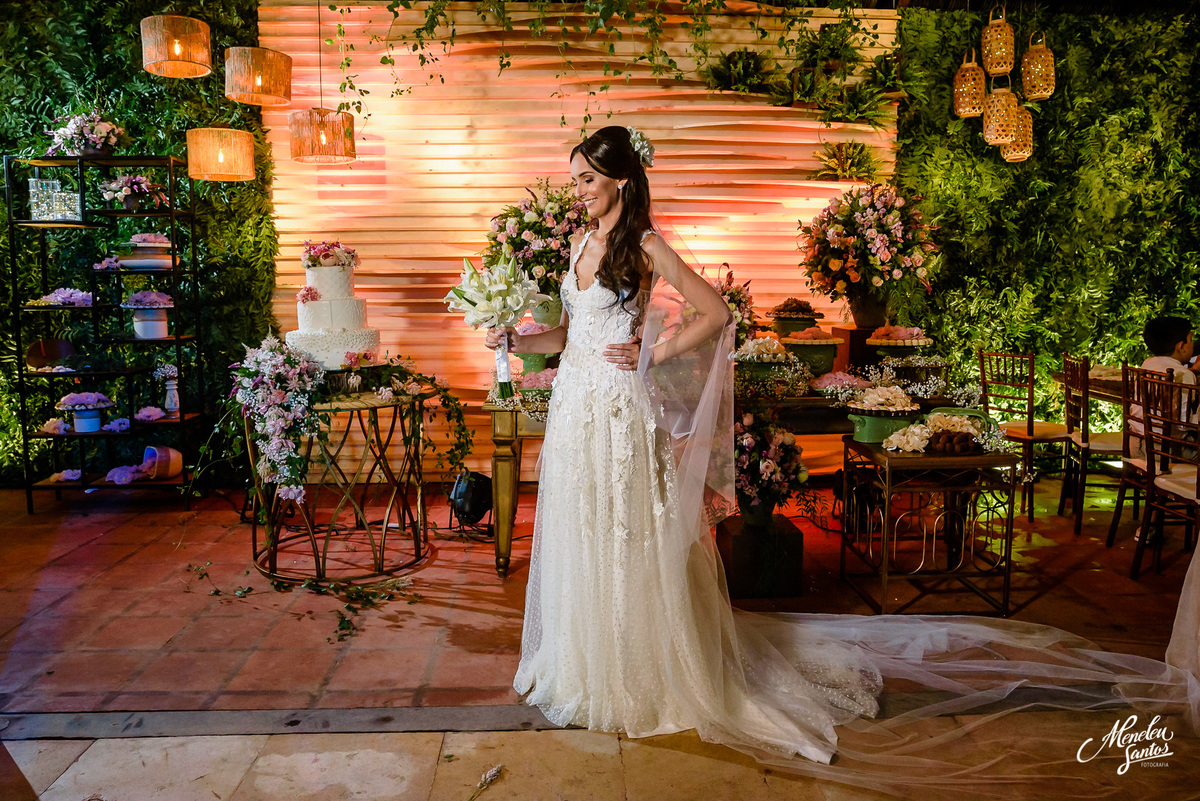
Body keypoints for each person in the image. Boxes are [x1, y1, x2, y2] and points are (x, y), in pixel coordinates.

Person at [484, 126, 1200, 797]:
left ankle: (634, 671)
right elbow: (566, 335)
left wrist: (652, 352)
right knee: (583, 534)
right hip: (577, 414)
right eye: (574, 178)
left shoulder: (643, 242)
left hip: (618, 413)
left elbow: (714, 314)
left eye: (585, 178)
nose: (576, 188)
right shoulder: (581, 243)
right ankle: (579, 659)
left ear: (618, 178)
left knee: (626, 541)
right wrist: (514, 338)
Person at [1142, 315, 1197, 384]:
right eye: (1190, 340)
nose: (1193, 343)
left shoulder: (1147, 363)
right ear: (1181, 346)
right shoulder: (1183, 375)